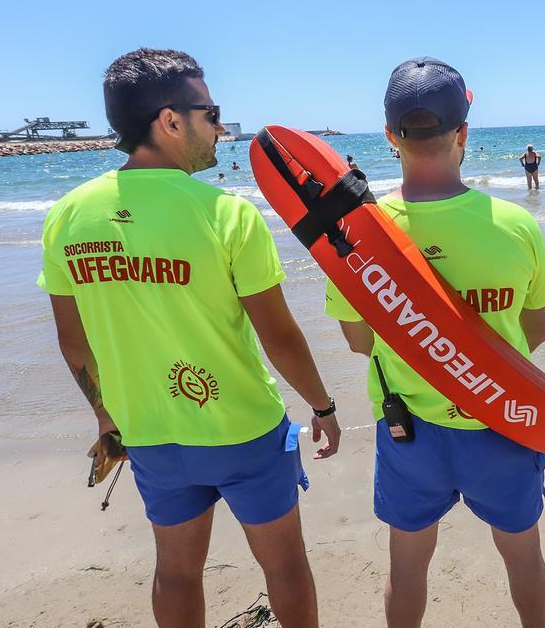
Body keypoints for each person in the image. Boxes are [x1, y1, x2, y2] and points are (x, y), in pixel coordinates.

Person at [38, 48, 340, 628]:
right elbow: (278, 335)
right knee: (284, 566)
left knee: (175, 571)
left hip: (149, 434)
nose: (221, 128)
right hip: (240, 428)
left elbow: (72, 344)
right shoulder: (226, 212)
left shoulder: (68, 215)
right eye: (211, 112)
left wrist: (107, 418)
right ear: (170, 120)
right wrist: (322, 406)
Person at [325, 57, 545, 628]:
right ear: (463, 133)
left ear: (389, 136)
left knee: (406, 565)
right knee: (523, 557)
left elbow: (359, 342)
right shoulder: (514, 224)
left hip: (409, 432)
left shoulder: (360, 234)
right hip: (501, 419)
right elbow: (538, 329)